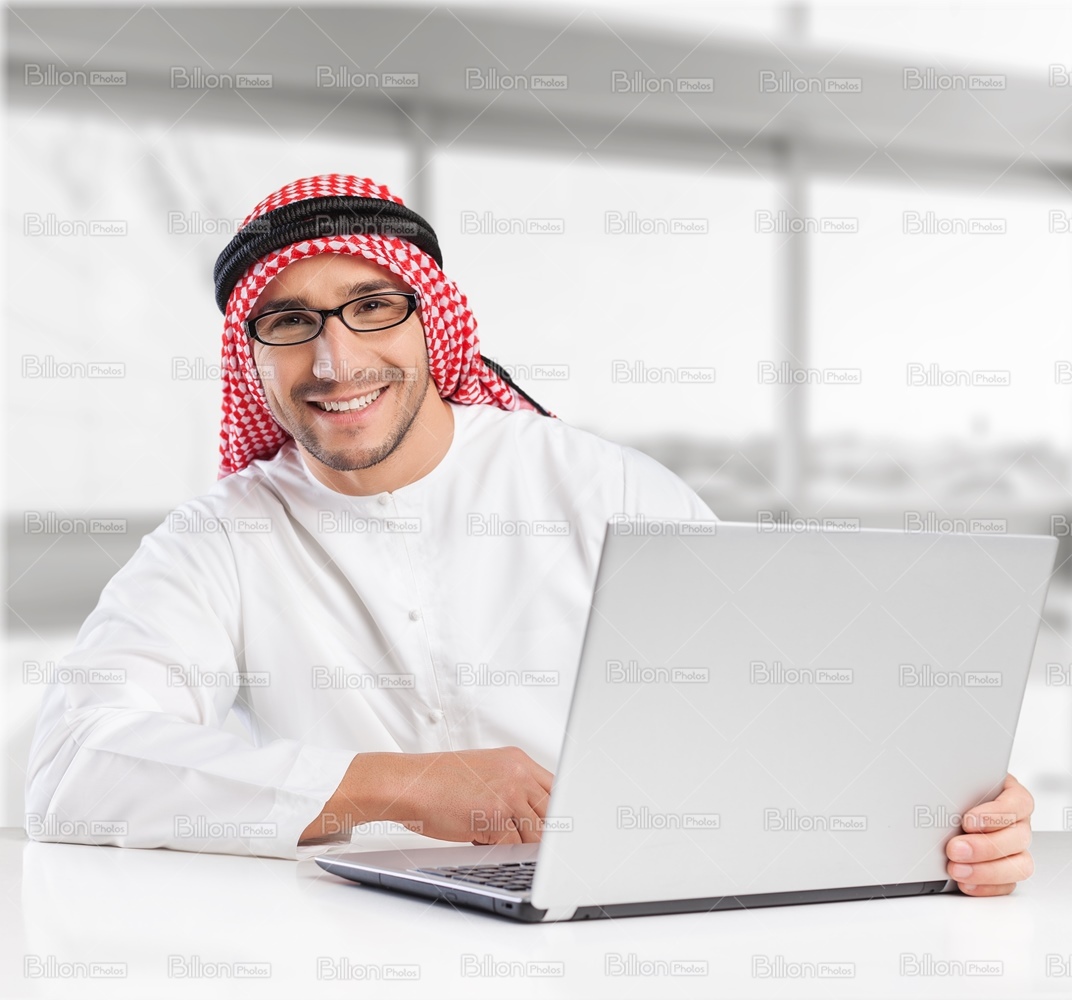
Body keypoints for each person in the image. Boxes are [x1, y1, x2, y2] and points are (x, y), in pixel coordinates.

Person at [25, 175, 1035, 898]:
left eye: (371, 306)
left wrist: (948, 814)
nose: (335, 361)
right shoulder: (221, 537)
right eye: (290, 323)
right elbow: (73, 764)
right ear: (251, 356)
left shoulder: (600, 487)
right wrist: (397, 785)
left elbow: (793, 715)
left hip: (618, 928)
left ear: (431, 322)